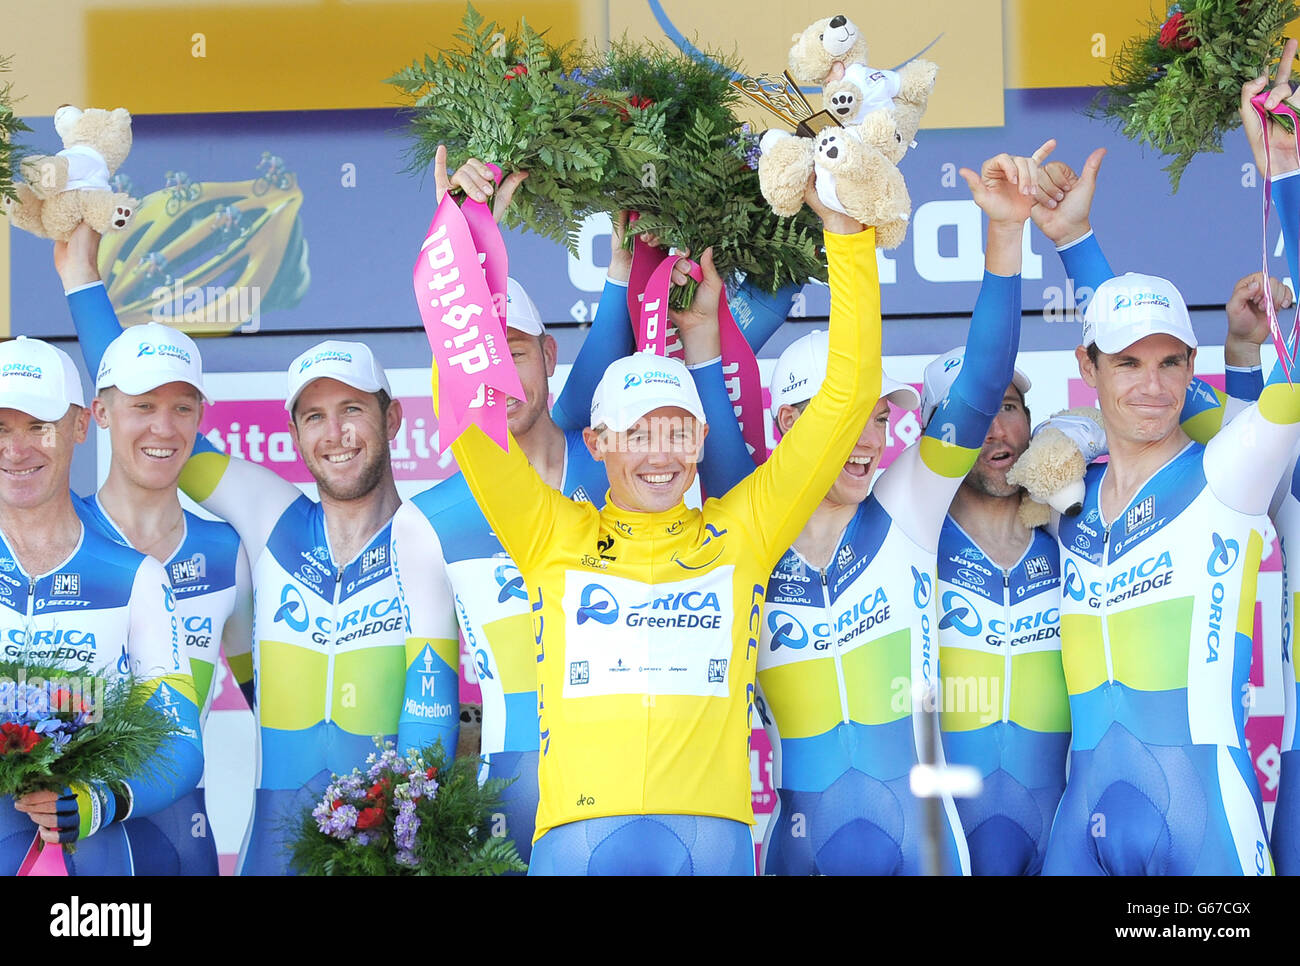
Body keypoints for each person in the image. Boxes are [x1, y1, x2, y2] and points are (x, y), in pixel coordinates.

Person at [423, 143, 882, 875]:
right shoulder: (550, 534)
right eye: (638, 433)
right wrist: (466, 236)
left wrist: (847, 239)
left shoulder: (745, 531)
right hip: (575, 841)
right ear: (599, 442)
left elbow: (848, 397)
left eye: (675, 428)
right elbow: (467, 410)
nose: (659, 452)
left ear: (701, 437)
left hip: (711, 844)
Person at [700, 145, 1050, 875]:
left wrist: (1006, 236)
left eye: (878, 417)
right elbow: (707, 400)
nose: (867, 441)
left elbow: (982, 382)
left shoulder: (907, 507)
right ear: (790, 427)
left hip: (922, 844)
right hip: (801, 845)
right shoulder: (752, 522)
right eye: (844, 419)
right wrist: (704, 335)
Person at [395, 160, 753, 865]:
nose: (497, 373)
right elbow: (427, 691)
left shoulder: (622, 464)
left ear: (548, 355)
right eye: (483, 353)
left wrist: (636, 260)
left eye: (516, 352)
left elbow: (625, 381)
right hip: (506, 797)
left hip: (641, 793)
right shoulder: (429, 517)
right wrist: (414, 829)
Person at [62, 262, 460, 877]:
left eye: (352, 408)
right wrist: (82, 279)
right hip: (273, 850)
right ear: (296, 436)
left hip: (389, 846)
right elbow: (151, 416)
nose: (337, 434)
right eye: (314, 417)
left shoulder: (430, 538)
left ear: (394, 419)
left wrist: (403, 829)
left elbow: (431, 712)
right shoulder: (272, 519)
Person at [1024, 75, 1300, 871]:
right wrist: (1074, 243)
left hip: (1203, 814)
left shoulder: (1228, 472)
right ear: (1089, 367)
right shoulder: (1070, 492)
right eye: (1130, 363)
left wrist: (1284, 176)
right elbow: (1113, 320)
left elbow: (1287, 359)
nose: (1153, 383)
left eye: (1173, 361)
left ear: (1194, 365)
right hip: (1084, 822)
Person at [51, 224, 253, 876]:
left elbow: (272, 703)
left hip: (179, 835)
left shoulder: (227, 553)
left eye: (182, 407)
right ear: (101, 415)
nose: (163, 428)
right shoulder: (52, 538)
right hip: (53, 829)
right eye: (142, 406)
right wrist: (80, 276)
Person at [0, 337, 204, 875]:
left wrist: (94, 801)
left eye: (38, 426)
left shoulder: (135, 578)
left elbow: (180, 744)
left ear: (80, 427)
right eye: (1, 428)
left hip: (92, 869)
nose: (16, 450)